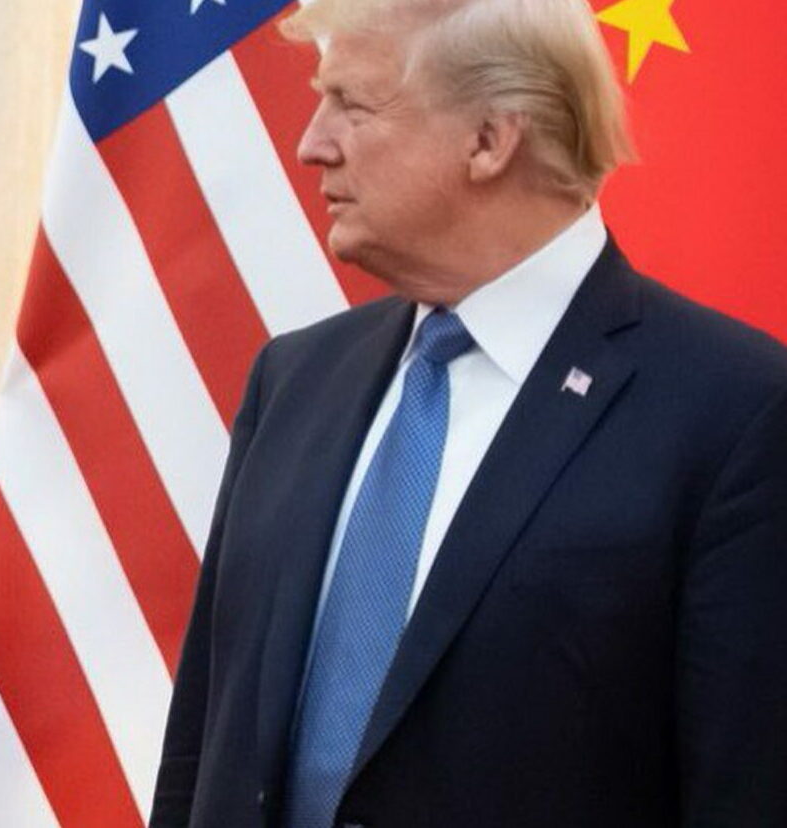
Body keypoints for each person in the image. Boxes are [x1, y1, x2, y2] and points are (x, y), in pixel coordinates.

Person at [151, 0, 787, 826]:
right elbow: (202, 740)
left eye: (351, 104)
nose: (312, 144)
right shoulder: (295, 380)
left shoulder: (736, 411)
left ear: (489, 139)